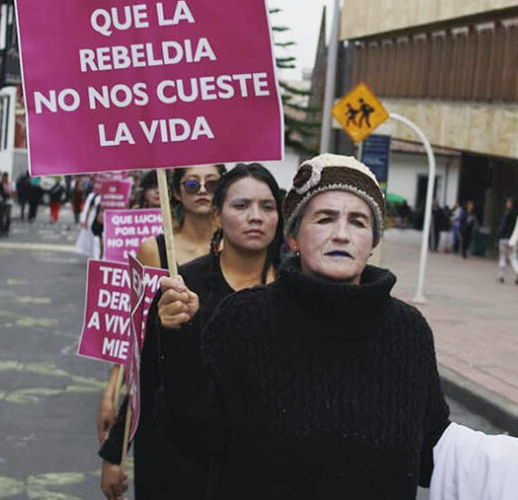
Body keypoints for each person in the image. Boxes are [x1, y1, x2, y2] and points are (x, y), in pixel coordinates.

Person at [152, 154, 449, 500]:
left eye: (358, 222)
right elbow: (195, 435)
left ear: (373, 242)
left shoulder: (408, 332)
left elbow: (435, 452)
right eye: (324, 219)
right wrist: (179, 341)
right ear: (293, 236)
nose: (341, 234)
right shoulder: (243, 320)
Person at [99, 164, 282, 500]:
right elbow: (150, 373)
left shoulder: (296, 287)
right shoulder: (184, 286)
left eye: (267, 206)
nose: (255, 216)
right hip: (184, 468)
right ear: (218, 216)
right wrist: (115, 452)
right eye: (241, 206)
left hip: (266, 470)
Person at [497, 197, 518, 284]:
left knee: (502, 257)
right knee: (513, 257)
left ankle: (501, 275)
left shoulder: (507, 214)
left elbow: (503, 227)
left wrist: (499, 235)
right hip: (513, 239)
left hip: (504, 238)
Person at [0, 172, 12, 238]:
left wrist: (9, 194)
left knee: (8, 217)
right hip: (1, 202)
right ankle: (1, 231)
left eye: (5, 177)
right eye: (3, 177)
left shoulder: (11, 184)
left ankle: (6, 230)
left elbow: (14, 193)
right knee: (1, 217)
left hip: (8, 202)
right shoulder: (0, 184)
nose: (4, 178)